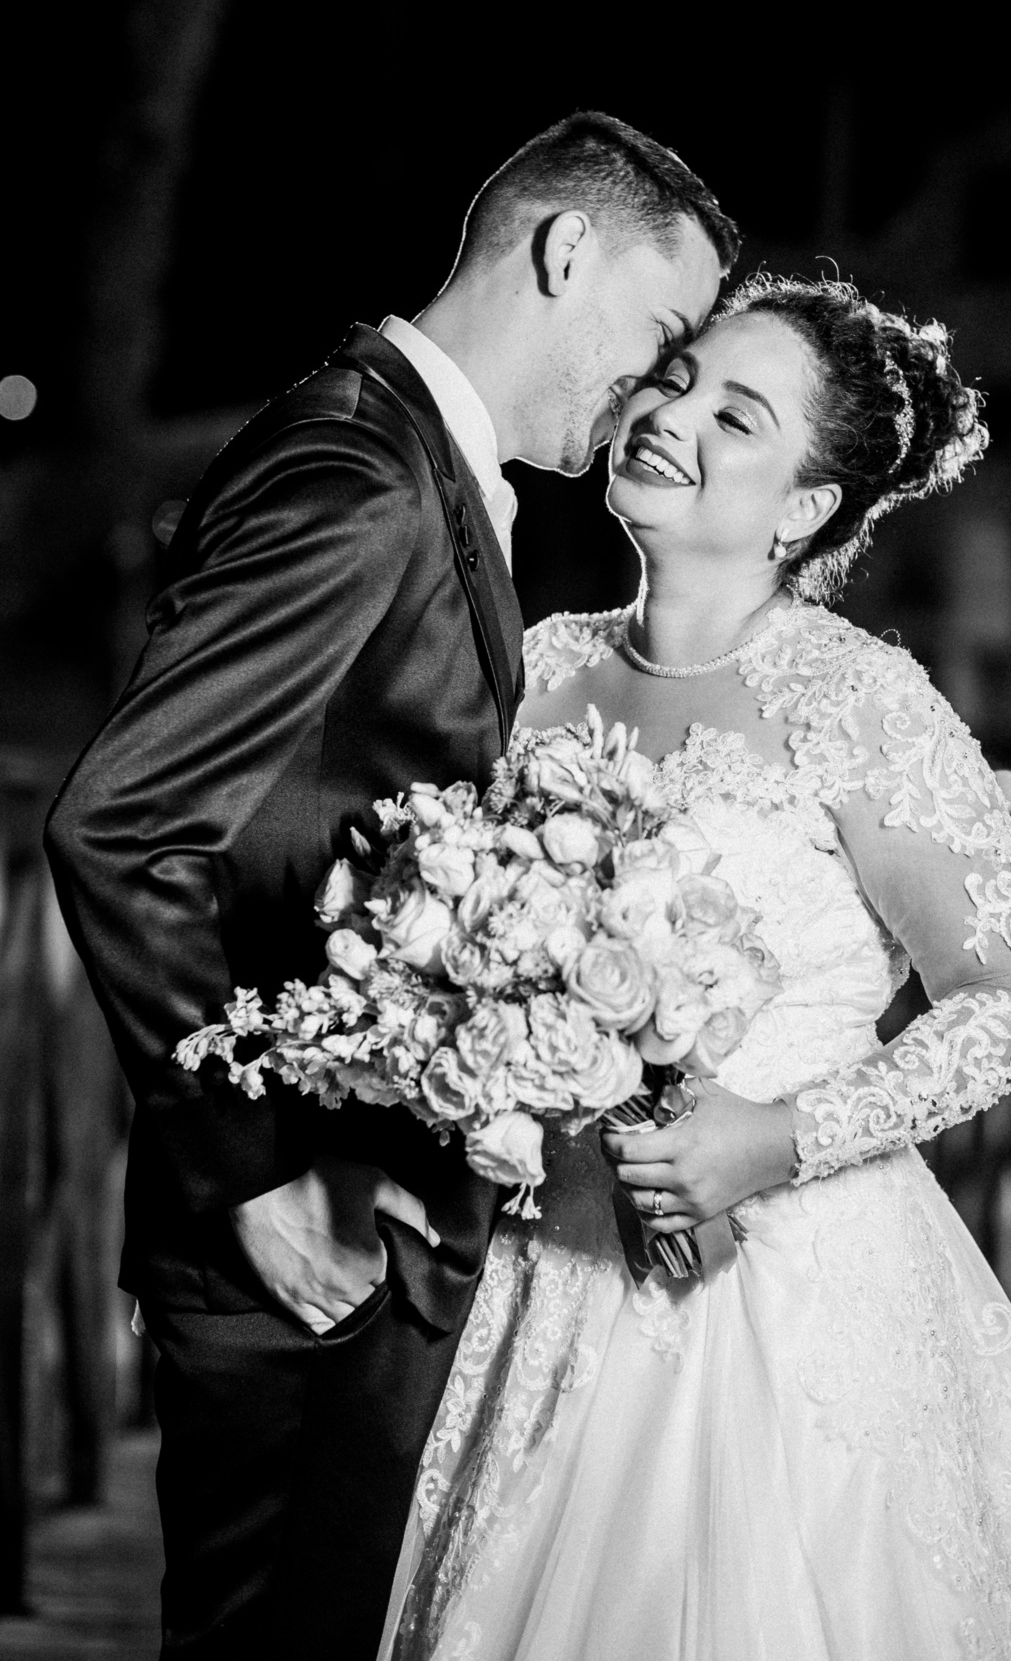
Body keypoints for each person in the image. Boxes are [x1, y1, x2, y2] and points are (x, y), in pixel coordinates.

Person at [381, 278, 1011, 1658]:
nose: (671, 415)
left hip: (789, 1286)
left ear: (803, 509)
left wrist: (776, 1138)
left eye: (735, 416)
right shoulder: (538, 666)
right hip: (543, 1272)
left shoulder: (855, 698)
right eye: (678, 378)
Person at [43, 111, 735, 1660]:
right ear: (566, 252)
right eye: (663, 331)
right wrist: (249, 1177)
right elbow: (122, 823)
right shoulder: (359, 469)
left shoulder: (416, 460)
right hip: (305, 1226)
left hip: (362, 1217)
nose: (659, 383)